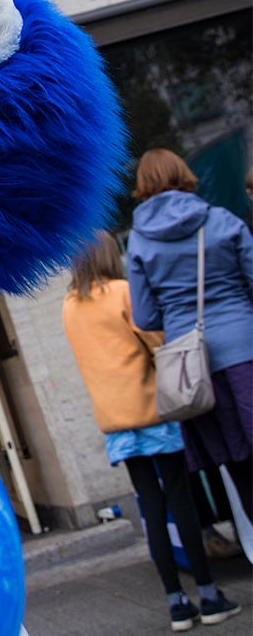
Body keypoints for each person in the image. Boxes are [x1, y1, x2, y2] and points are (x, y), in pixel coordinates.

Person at [63, 231, 241, 630]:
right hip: (154, 414)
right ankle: (210, 596)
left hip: (116, 425)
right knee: (183, 505)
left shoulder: (69, 307)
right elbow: (156, 341)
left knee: (153, 513)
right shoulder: (123, 293)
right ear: (111, 255)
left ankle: (175, 602)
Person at [128, 149, 253, 524]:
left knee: (237, 465)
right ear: (184, 173)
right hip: (246, 349)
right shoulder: (222, 221)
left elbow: (146, 316)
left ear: (144, 186)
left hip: (193, 369)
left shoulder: (139, 241)